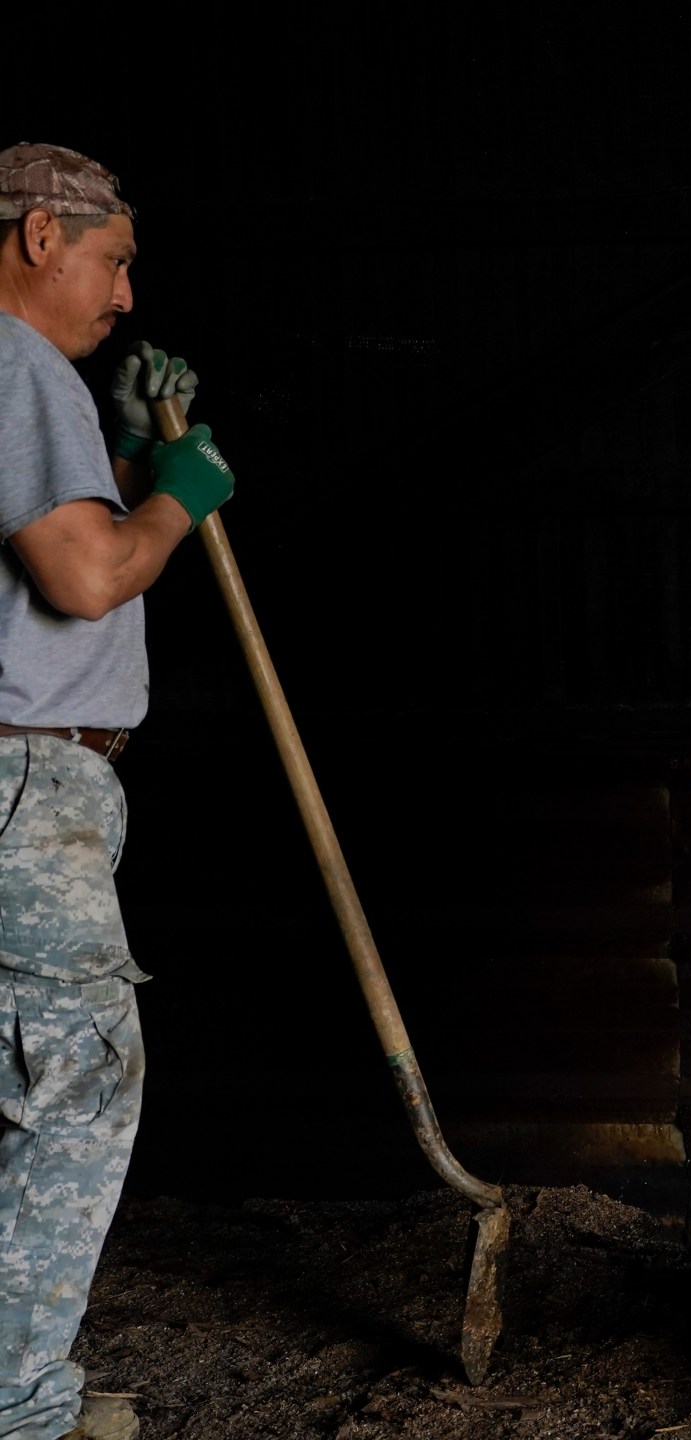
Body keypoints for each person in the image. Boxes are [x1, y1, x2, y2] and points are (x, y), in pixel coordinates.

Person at [0, 143, 236, 1440]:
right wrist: (179, 501)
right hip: (23, 782)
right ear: (43, 237)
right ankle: (17, 1410)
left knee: (18, 1084)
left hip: (26, 779)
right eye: (115, 259)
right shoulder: (14, 363)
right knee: (76, 1080)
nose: (128, 293)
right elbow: (84, 577)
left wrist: (142, 481)